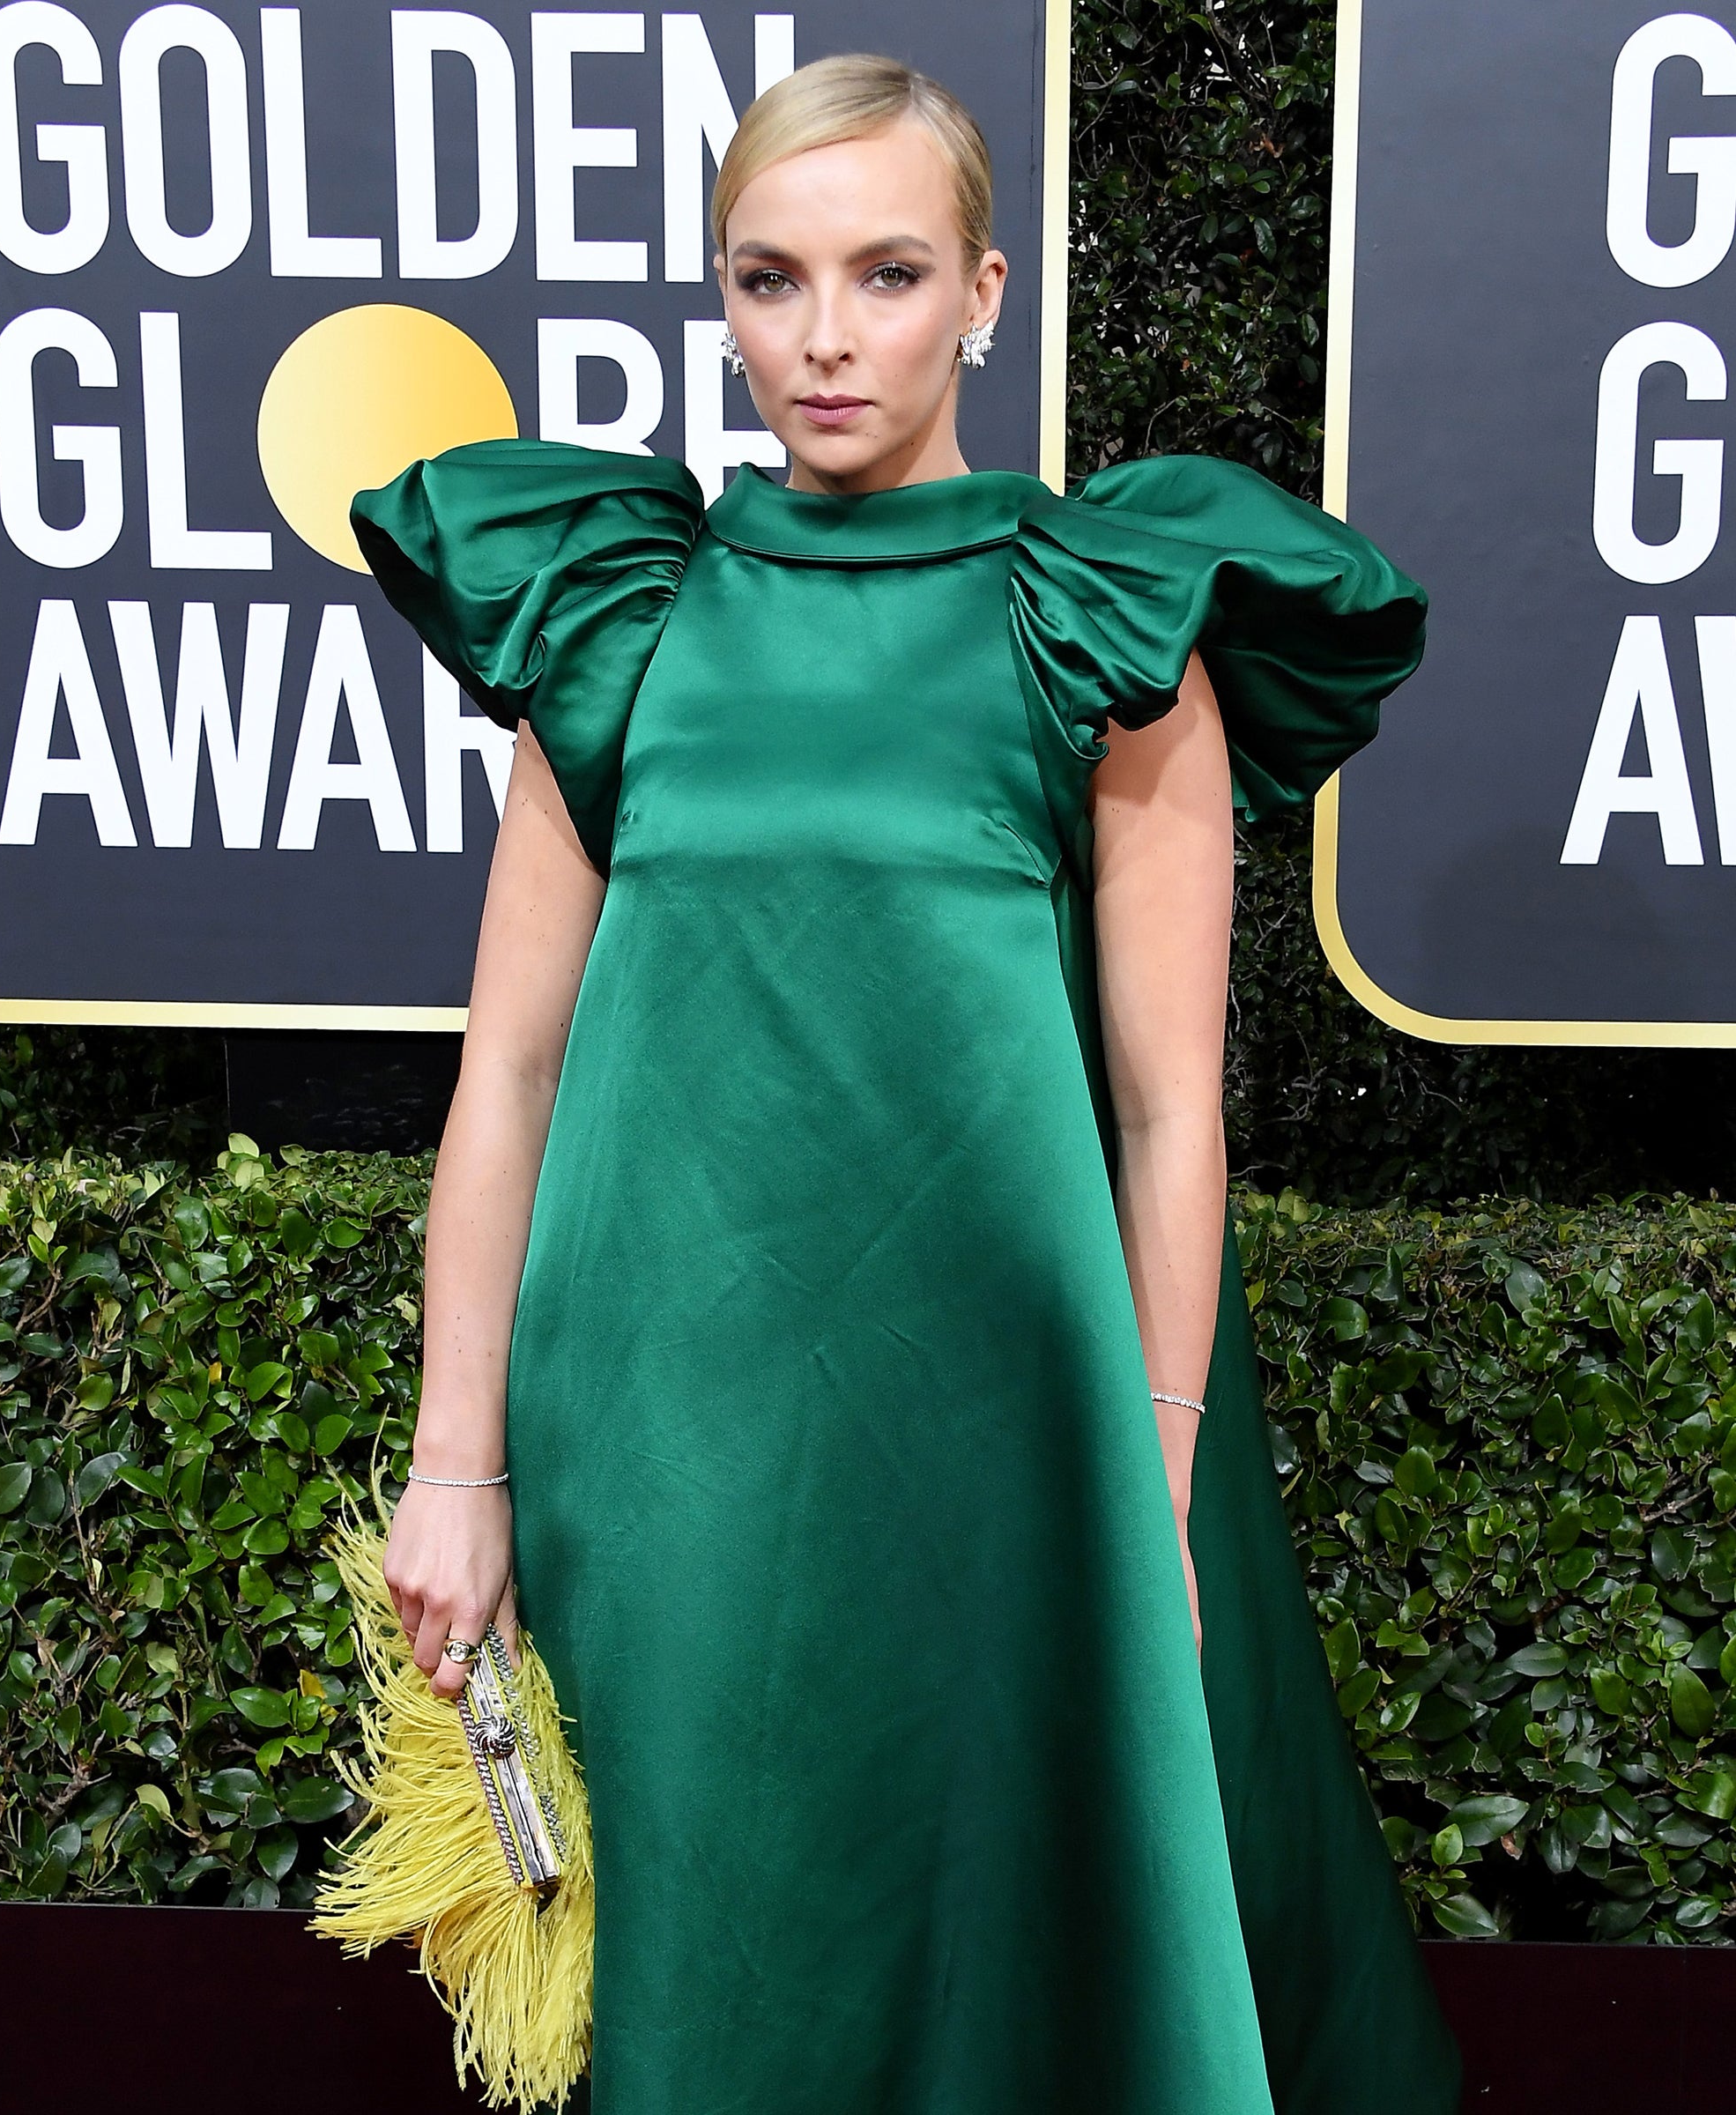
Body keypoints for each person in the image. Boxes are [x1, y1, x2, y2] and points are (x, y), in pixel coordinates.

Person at [358, 50, 1458, 2115]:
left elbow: (1170, 1113)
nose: (825, 337)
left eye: (884, 274)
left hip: (1010, 1432)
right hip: (660, 1437)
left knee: (1015, 1956)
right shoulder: (625, 610)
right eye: (768, 279)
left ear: (981, 291)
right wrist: (457, 1462)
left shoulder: (1092, 620)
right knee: (703, 1950)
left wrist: (1146, 1481)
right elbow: (507, 1067)